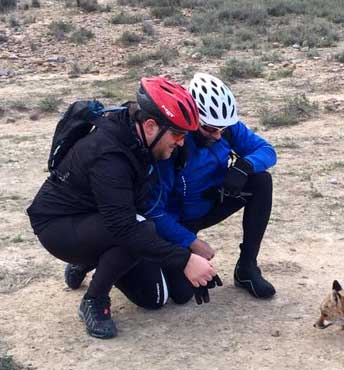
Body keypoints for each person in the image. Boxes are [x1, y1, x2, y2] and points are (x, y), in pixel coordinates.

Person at [26, 76, 217, 339]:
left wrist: (186, 244)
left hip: (98, 217)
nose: (182, 142)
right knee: (140, 233)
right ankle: (94, 299)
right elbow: (126, 227)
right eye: (178, 134)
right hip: (59, 227)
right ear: (150, 126)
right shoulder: (110, 156)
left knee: (154, 295)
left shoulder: (135, 134)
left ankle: (88, 261)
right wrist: (184, 259)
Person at [148, 72, 277, 300]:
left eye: (223, 129)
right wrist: (190, 242)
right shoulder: (172, 145)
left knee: (261, 181)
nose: (218, 136)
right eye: (209, 128)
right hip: (177, 220)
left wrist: (244, 166)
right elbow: (154, 210)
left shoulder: (225, 127)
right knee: (181, 295)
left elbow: (267, 151)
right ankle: (91, 261)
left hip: (211, 201)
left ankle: (247, 267)